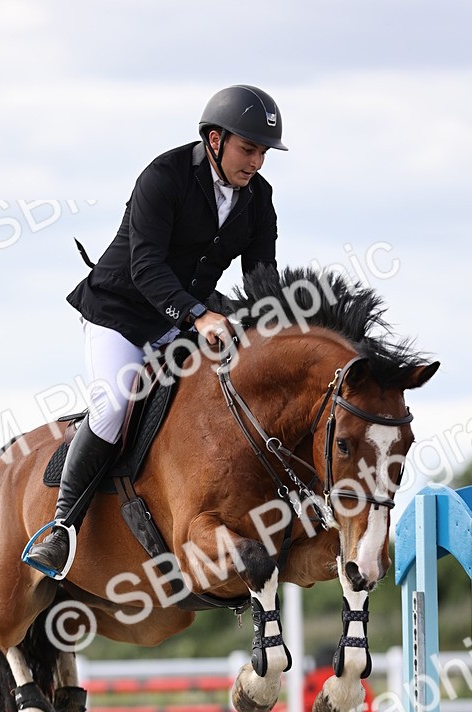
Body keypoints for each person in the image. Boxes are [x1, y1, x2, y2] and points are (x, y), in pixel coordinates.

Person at [24, 84, 287, 578]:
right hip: (120, 313)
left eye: (263, 153)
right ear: (215, 139)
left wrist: (274, 325)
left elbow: (261, 276)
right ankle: (61, 528)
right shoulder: (164, 176)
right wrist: (198, 316)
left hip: (181, 317)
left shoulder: (259, 198)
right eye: (248, 149)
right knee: (112, 407)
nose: (256, 162)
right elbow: (145, 267)